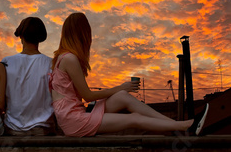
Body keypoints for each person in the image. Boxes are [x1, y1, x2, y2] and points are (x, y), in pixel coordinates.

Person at [50, 12, 209, 137]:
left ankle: (175, 126)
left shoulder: (64, 57)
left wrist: (121, 90)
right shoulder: (70, 59)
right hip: (74, 121)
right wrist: (121, 86)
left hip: (74, 115)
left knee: (122, 96)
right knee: (133, 118)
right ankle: (187, 126)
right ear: (83, 34)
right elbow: (88, 96)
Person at [2, 17, 55, 136]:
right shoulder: (51, 63)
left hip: (12, 129)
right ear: (40, 38)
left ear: (21, 36)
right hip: (43, 129)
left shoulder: (6, 62)